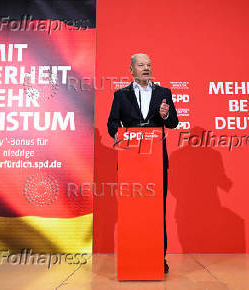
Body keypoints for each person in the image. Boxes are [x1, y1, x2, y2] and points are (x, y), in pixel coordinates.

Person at [107, 53, 179, 274]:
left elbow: (174, 123)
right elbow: (111, 123)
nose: (146, 68)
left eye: (149, 65)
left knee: (158, 211)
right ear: (131, 70)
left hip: (156, 162)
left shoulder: (164, 93)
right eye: (141, 65)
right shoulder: (121, 95)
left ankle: (159, 257)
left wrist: (166, 116)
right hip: (130, 161)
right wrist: (120, 136)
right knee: (132, 211)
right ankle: (133, 255)